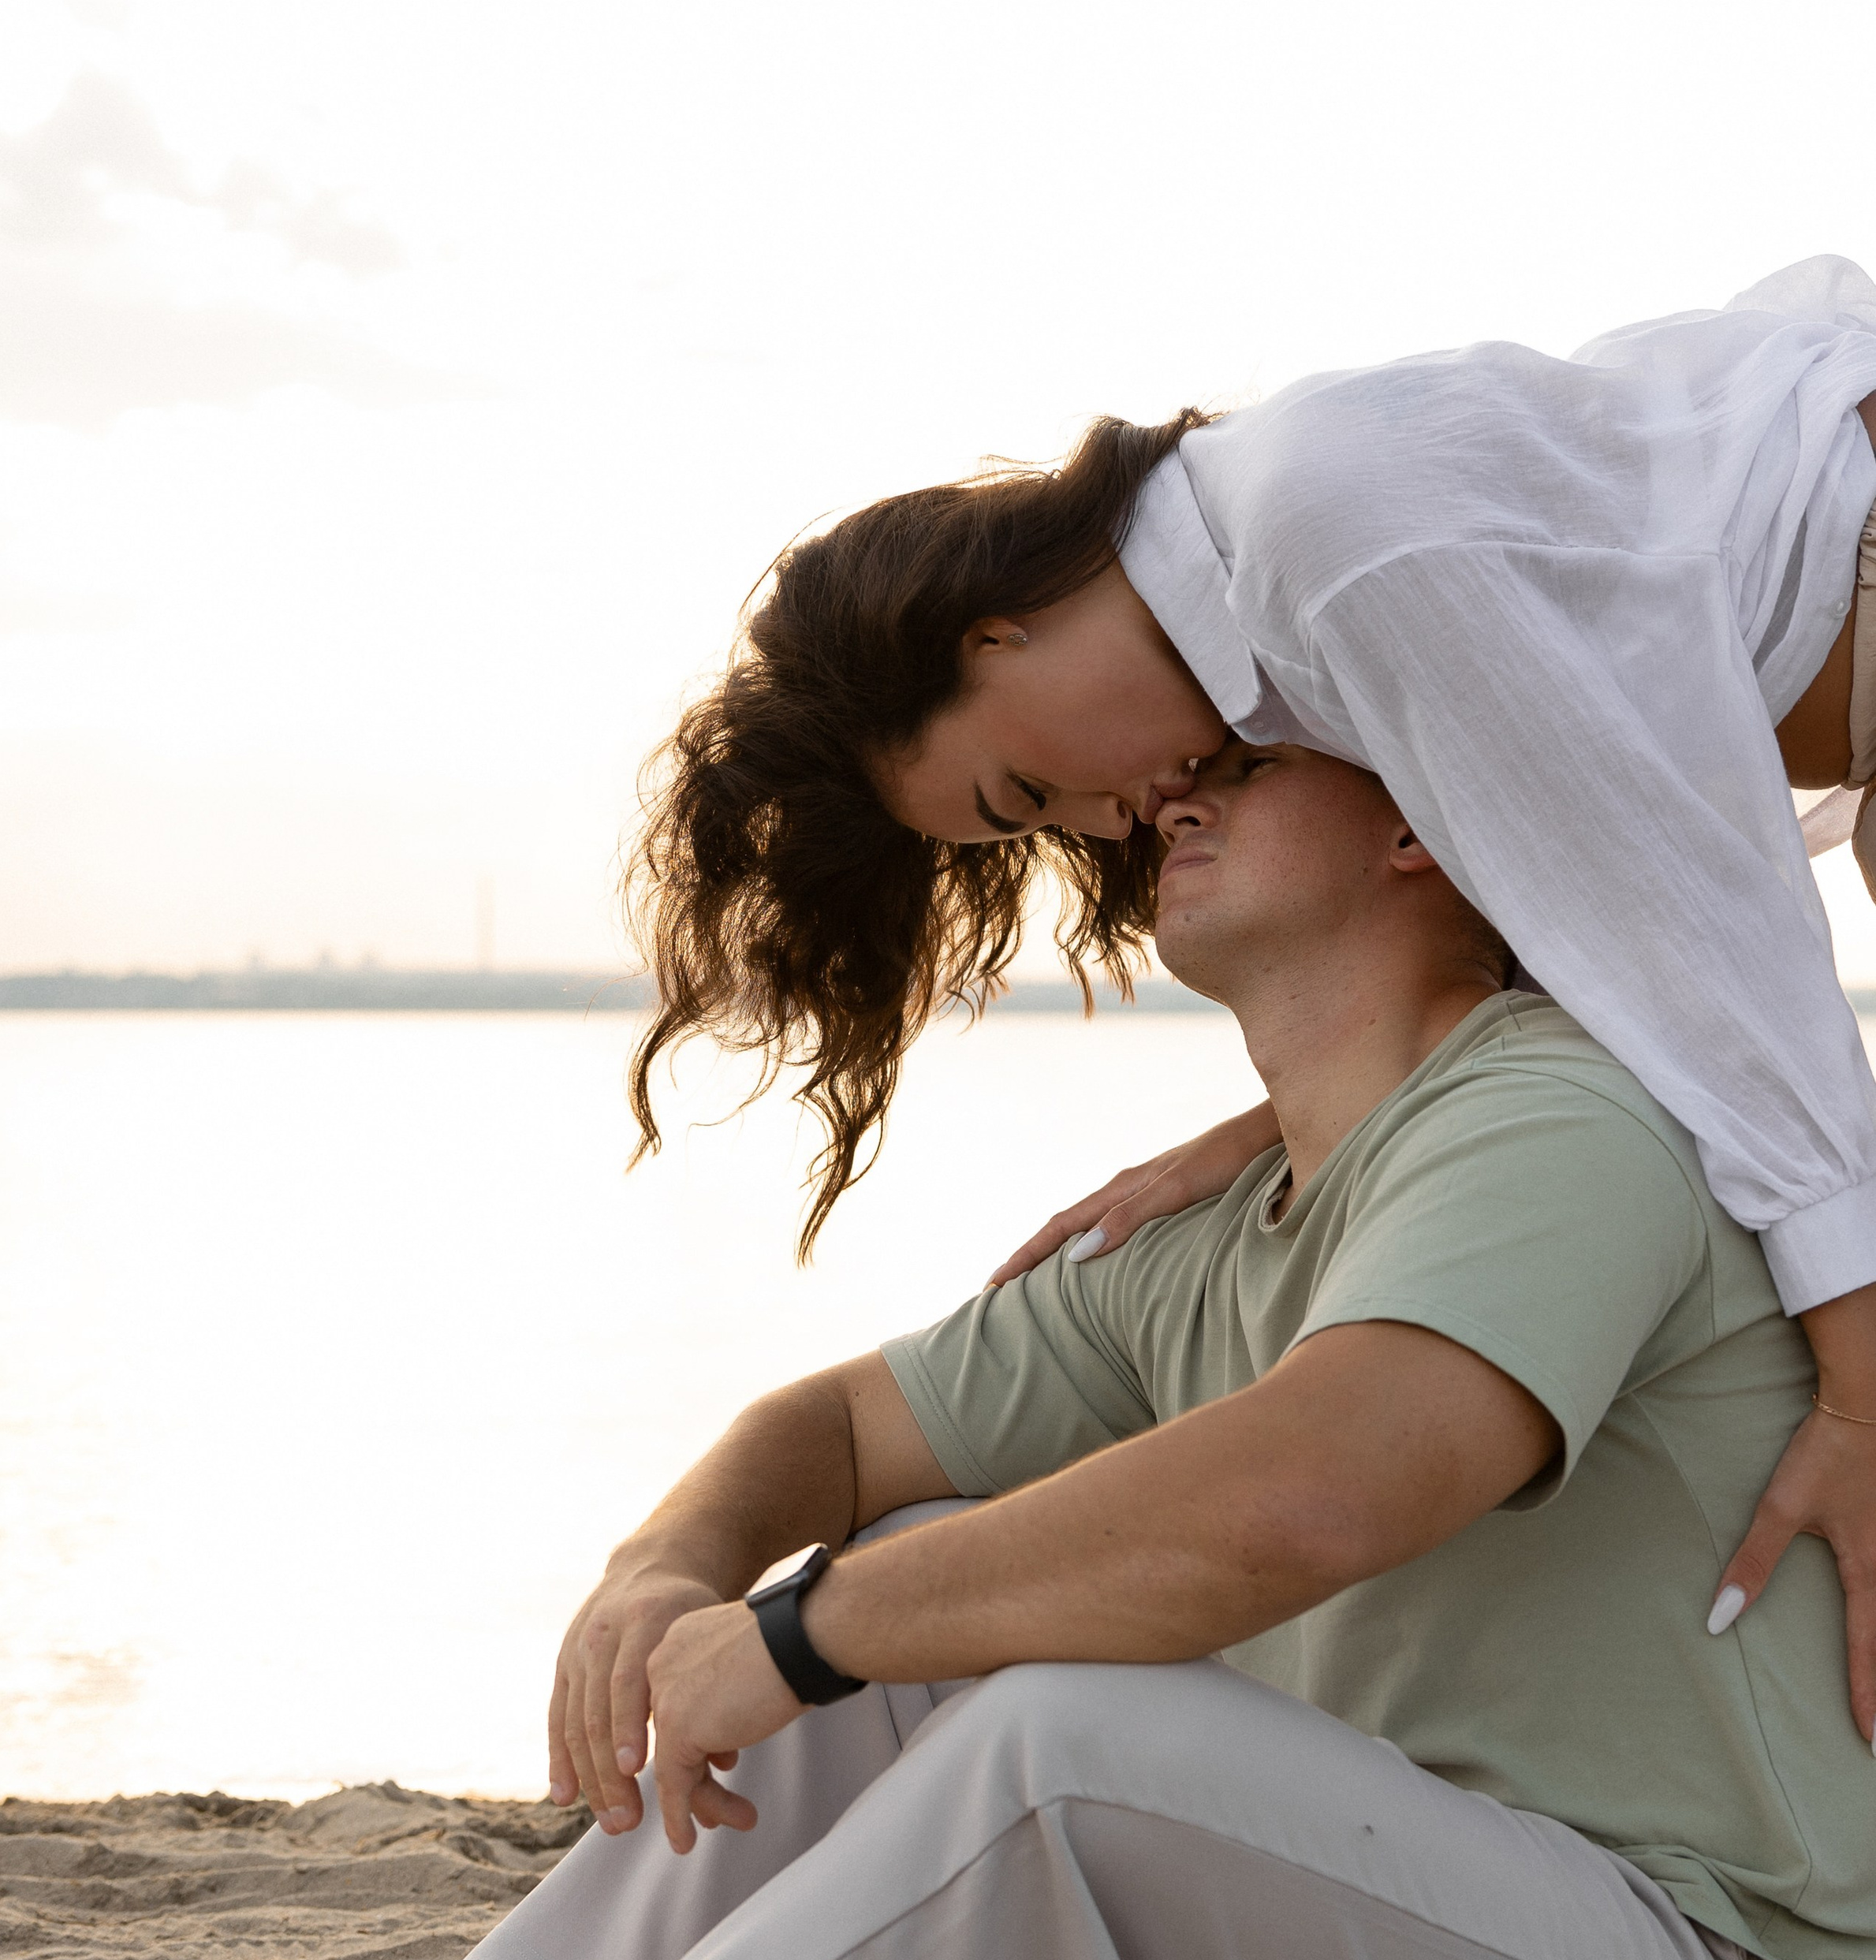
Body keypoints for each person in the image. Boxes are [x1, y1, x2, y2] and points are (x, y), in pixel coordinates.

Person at [0, 736, 1876, 1960]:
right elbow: (842, 1431)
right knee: (919, 1574)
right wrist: (665, 1568)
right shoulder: (1236, 1215)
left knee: (1049, 1746)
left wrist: (800, 1633)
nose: (1168, 787)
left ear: (1419, 827)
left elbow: (1310, 1493)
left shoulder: (1551, 1112)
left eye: (1248, 754)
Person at [622, 258, 1876, 1757]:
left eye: (1027, 790)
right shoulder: (1280, 596)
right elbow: (1574, 929)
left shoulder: (1326, 546)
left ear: (992, 634)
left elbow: (1706, 944)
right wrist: (1273, 1129)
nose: (1106, 823)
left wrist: (1864, 1403)